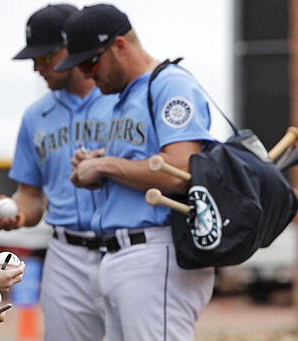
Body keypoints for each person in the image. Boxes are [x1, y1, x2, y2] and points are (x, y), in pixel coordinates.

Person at [54, 4, 216, 341]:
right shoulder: (124, 96)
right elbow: (141, 162)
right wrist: (99, 164)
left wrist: (104, 165)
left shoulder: (170, 84)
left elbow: (180, 170)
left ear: (119, 45)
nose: (86, 74)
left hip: (158, 251)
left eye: (90, 62)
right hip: (121, 256)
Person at [0, 4, 117, 341]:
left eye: (44, 57)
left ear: (71, 46)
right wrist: (17, 215)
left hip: (123, 247)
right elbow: (30, 196)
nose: (36, 67)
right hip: (66, 253)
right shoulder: (36, 115)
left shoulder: (119, 101)